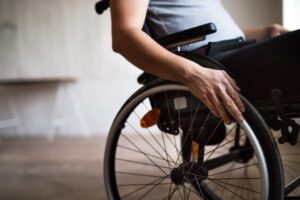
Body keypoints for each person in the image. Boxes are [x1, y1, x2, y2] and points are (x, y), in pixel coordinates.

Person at [110, 0, 298, 125]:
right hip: (212, 62)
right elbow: (124, 38)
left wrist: (266, 32)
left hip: (235, 50)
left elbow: (217, 32)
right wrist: (192, 74)